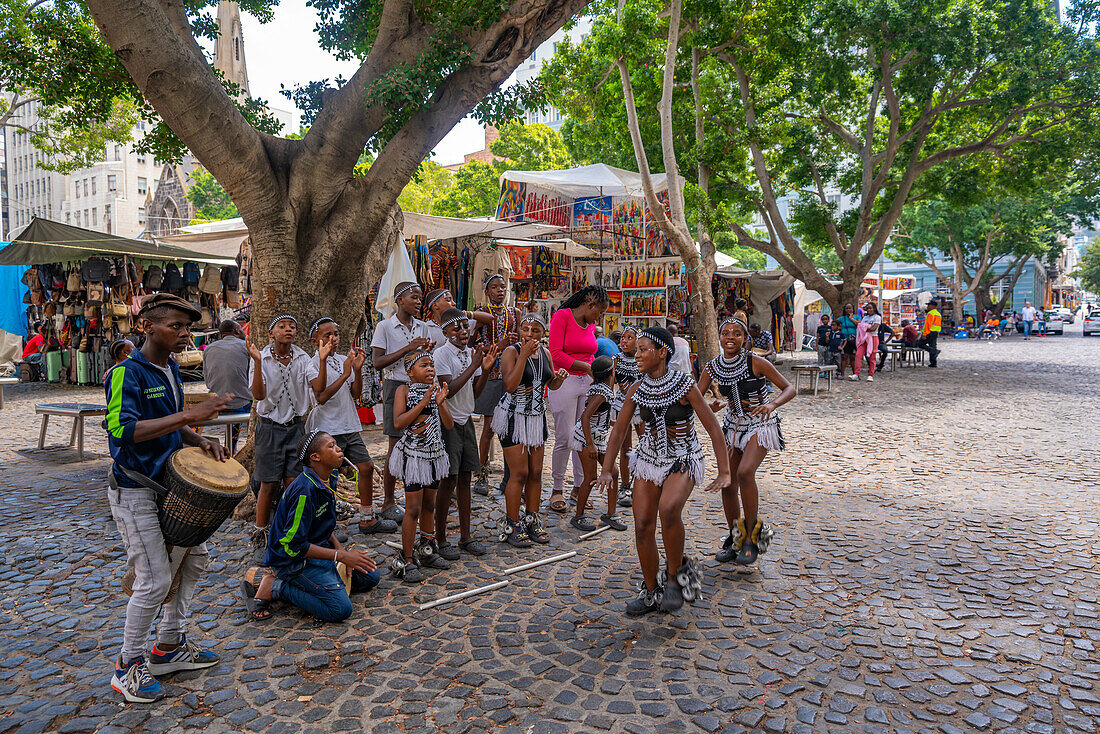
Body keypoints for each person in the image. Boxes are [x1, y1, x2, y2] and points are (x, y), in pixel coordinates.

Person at [105, 293, 230, 703]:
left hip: (171, 486)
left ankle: (169, 646)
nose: (184, 333)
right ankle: (128, 666)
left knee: (195, 559)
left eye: (187, 327)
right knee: (155, 578)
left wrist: (198, 438)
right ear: (147, 326)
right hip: (135, 487)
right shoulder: (126, 373)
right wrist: (190, 416)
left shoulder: (171, 369)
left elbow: (172, 429)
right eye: (175, 325)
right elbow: (122, 432)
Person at [597, 327, 730, 615]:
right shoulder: (636, 388)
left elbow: (712, 427)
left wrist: (724, 471)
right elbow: (619, 430)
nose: (638, 354)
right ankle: (650, 590)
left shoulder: (684, 385)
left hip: (683, 455)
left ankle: (675, 579)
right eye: (638, 349)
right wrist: (607, 470)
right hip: (648, 457)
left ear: (662, 353)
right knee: (643, 524)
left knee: (669, 509)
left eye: (644, 349)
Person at [241, 431, 380, 622]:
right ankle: (274, 586)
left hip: (318, 549)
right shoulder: (303, 492)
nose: (339, 449)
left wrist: (341, 551)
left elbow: (323, 523)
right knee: (339, 610)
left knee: (370, 576)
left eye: (336, 444)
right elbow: (293, 546)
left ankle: (318, 584)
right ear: (316, 457)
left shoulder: (329, 478)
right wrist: (341, 556)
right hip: (292, 562)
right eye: (331, 446)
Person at [697, 318, 795, 567]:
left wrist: (771, 404)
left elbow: (789, 388)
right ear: (719, 337)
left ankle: (753, 538)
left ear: (745, 338)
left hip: (760, 424)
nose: (730, 337)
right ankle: (736, 537)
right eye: (725, 333)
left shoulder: (757, 362)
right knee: (728, 483)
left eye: (736, 333)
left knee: (745, 472)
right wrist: (715, 406)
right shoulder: (712, 367)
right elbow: (695, 397)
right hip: (733, 425)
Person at [306, 317, 391, 535]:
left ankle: (366, 518)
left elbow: (354, 393)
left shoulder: (343, 359)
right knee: (328, 478)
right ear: (316, 340)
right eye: (328, 335)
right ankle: (326, 527)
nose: (333, 339)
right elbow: (321, 396)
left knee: (366, 467)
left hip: (349, 425)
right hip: (327, 429)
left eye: (336, 334)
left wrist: (357, 369)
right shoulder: (313, 364)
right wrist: (345, 373)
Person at [493, 312, 568, 546]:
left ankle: (532, 519)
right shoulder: (512, 352)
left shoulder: (545, 353)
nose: (529, 334)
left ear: (543, 333)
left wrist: (560, 380)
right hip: (513, 416)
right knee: (519, 473)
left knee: (536, 473)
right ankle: (512, 524)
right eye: (525, 329)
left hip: (536, 418)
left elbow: (549, 383)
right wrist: (523, 356)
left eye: (535, 330)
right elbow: (509, 385)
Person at [246, 314, 314, 564]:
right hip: (269, 428)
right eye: (282, 326)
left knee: (293, 484)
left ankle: (290, 533)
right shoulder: (261, 358)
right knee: (268, 485)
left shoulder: (303, 358)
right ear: (271, 332)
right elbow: (258, 394)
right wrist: (255, 362)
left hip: (296, 427)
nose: (288, 330)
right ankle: (261, 535)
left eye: (292, 326)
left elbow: (315, 385)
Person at [433, 309, 496, 559]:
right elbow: (449, 389)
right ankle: (439, 538)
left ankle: (466, 536)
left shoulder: (471, 354)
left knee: (466, 478)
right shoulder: (441, 354)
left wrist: (486, 369)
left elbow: (476, 392)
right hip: (449, 422)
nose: (462, 332)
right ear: (445, 332)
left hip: (466, 419)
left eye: (465, 327)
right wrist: (474, 365)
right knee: (448, 480)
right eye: (456, 328)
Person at [388, 350, 453, 582]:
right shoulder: (402, 391)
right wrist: (424, 403)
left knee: (429, 504)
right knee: (413, 507)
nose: (430, 369)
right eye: (424, 365)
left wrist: (440, 403)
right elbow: (398, 423)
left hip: (434, 454)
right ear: (409, 371)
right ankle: (407, 558)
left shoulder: (436, 390)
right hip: (413, 456)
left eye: (432, 366)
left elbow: (448, 424)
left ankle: (427, 549)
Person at [371, 282, 431, 525]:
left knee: (419, 441)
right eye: (413, 297)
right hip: (395, 386)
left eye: (420, 298)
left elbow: (423, 357)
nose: (418, 301)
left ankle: (416, 494)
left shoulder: (423, 326)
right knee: (395, 444)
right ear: (399, 299)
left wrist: (424, 352)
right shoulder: (385, 326)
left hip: (420, 387)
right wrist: (409, 348)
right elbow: (377, 362)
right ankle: (388, 500)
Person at [547, 285, 609, 514]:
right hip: (565, 380)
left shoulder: (591, 324)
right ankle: (557, 488)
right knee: (564, 437)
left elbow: (590, 350)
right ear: (590, 305)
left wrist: (593, 368)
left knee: (583, 438)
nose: (599, 317)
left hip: (587, 382)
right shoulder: (562, 317)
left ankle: (579, 487)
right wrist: (585, 365)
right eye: (599, 311)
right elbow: (555, 353)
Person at [472, 273, 521, 497]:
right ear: (487, 291)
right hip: (490, 375)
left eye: (503, 287)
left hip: (510, 376)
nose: (500, 291)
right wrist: (499, 345)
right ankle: (481, 475)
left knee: (511, 428)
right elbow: (473, 344)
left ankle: (509, 476)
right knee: (489, 428)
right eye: (494, 287)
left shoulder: (515, 313)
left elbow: (520, 340)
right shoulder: (481, 313)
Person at [569, 356, 627, 533]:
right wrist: (591, 445)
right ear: (611, 374)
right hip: (588, 438)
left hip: (598, 436)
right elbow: (586, 417)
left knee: (613, 472)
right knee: (590, 476)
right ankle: (578, 516)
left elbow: (598, 416)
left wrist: (611, 424)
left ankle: (610, 514)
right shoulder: (601, 392)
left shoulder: (603, 388)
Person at [201, 321, 251, 450]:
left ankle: (230, 448)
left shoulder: (209, 348)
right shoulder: (246, 347)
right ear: (235, 331)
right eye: (241, 329)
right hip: (241, 403)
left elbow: (207, 380)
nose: (243, 332)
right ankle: (233, 449)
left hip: (216, 401)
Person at [612, 325, 643, 509]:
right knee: (625, 448)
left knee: (647, 442)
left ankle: (647, 481)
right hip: (621, 407)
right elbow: (609, 386)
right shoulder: (615, 360)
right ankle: (625, 487)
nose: (624, 341)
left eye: (629, 338)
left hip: (642, 407)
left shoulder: (643, 359)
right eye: (622, 337)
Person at [422, 287, 490, 348]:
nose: (454, 303)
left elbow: (490, 319)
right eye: (448, 300)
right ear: (435, 306)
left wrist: (467, 314)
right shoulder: (427, 328)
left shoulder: (461, 324)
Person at [851, 302, 881, 382]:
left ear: (874, 308)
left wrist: (863, 328)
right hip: (864, 338)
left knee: (872, 356)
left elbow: (873, 328)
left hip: (873, 338)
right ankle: (856, 374)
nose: (869, 310)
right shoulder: (865, 317)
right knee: (858, 355)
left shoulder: (877, 317)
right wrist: (852, 319)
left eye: (870, 308)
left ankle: (870, 375)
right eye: (867, 308)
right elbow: (859, 324)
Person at [917, 300, 942, 367]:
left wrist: (924, 334)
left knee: (920, 344)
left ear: (933, 306)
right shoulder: (938, 314)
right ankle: (933, 363)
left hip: (929, 332)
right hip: (935, 332)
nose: (927, 307)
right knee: (932, 345)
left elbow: (928, 325)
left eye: (929, 305)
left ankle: (934, 351)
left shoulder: (930, 313)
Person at [836, 304, 858, 377]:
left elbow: (859, 324)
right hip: (844, 340)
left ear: (853, 309)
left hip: (854, 339)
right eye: (847, 308)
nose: (848, 310)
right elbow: (835, 324)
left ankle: (855, 374)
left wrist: (851, 318)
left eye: (850, 308)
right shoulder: (841, 318)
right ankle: (842, 374)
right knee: (844, 356)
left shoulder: (857, 317)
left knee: (853, 357)